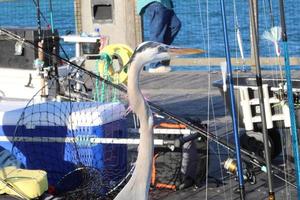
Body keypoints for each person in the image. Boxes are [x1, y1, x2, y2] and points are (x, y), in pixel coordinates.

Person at [136, 0, 181, 73]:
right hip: (155, 3)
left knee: (175, 25)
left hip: (165, 4)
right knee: (157, 34)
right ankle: (154, 65)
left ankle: (161, 57)